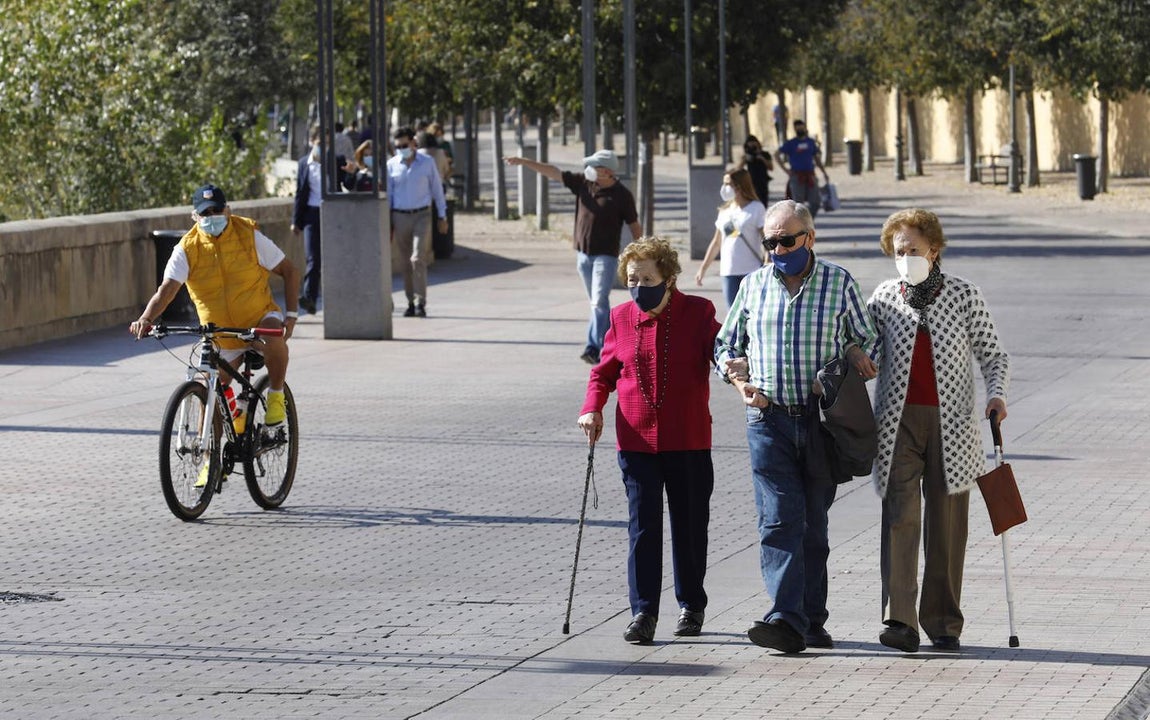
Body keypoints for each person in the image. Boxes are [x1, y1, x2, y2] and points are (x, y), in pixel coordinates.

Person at [715, 199, 877, 654]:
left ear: (810, 238)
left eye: (787, 241)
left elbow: (867, 339)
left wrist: (852, 354)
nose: (778, 250)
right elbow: (726, 344)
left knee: (813, 524)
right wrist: (736, 377)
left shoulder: (838, 282)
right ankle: (785, 617)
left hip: (820, 420)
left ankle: (811, 620)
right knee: (779, 518)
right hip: (767, 419)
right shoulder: (753, 285)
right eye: (770, 242)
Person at [867, 208, 1010, 654]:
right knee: (900, 518)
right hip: (897, 425)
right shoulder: (884, 297)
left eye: (912, 249)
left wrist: (997, 395)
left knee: (947, 526)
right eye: (898, 250)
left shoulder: (964, 295)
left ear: (934, 249)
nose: (904, 257)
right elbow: (867, 350)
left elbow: (994, 355)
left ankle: (943, 622)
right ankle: (900, 619)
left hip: (954, 427)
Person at [578, 236, 721, 644]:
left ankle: (691, 605)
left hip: (688, 439)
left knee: (689, 525)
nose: (638, 287)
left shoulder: (699, 312)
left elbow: (724, 351)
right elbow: (603, 373)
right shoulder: (620, 317)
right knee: (643, 528)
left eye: (647, 279)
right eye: (631, 279)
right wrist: (592, 408)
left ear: (669, 278)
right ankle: (643, 612)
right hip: (636, 441)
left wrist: (738, 371)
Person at [130, 184, 300, 443]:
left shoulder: (248, 235)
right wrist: (146, 318)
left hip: (257, 319)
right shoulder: (187, 248)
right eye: (205, 213)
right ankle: (209, 455)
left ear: (228, 210)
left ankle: (276, 396)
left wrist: (292, 316)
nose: (211, 218)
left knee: (274, 339)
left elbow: (290, 271)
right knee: (207, 392)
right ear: (194, 216)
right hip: (220, 333)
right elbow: (167, 289)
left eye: (216, 211)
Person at [505, 149, 642, 364]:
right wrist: (524, 161)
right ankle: (611, 344)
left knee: (599, 301)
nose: (589, 170)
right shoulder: (583, 184)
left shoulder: (622, 195)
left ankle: (594, 348)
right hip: (583, 255)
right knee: (596, 304)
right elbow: (553, 172)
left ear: (607, 171)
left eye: (594, 166)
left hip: (605, 257)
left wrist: (641, 255)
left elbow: (634, 226)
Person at [387, 127, 448, 318]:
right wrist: (387, 221)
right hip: (400, 216)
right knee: (405, 263)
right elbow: (389, 195)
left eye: (404, 145)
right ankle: (410, 302)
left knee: (417, 258)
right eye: (397, 146)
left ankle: (421, 301)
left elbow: (437, 189)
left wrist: (442, 216)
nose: (401, 149)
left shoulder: (427, 163)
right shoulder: (392, 165)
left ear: (413, 143)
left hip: (422, 214)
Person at [694, 167, 766, 308]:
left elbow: (765, 239)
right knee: (732, 314)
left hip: (751, 271)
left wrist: (769, 260)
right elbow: (716, 242)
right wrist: (703, 268)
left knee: (752, 312)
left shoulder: (756, 208)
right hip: (728, 271)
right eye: (724, 183)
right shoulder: (724, 211)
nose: (724, 187)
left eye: (728, 184)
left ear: (739, 186)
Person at [291, 128, 325, 316]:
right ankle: (309, 298)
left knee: (328, 259)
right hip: (311, 214)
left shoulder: (333, 161)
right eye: (320, 143)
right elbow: (300, 192)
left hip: (331, 213)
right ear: (312, 141)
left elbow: (346, 181)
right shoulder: (304, 163)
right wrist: (296, 221)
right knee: (312, 257)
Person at [775, 120, 830, 219]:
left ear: (805, 128)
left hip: (810, 175)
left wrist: (824, 172)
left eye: (801, 127)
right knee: (798, 205)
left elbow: (816, 159)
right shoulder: (791, 143)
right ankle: (800, 224)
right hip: (797, 176)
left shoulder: (810, 142)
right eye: (797, 128)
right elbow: (776, 154)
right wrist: (786, 170)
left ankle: (808, 221)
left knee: (816, 202)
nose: (800, 130)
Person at [741, 135, 773, 204]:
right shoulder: (747, 155)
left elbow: (771, 168)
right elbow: (739, 168)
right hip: (751, 181)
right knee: (752, 202)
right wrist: (744, 159)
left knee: (763, 201)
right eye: (750, 143)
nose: (752, 145)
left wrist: (762, 158)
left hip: (762, 181)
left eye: (754, 143)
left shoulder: (765, 154)